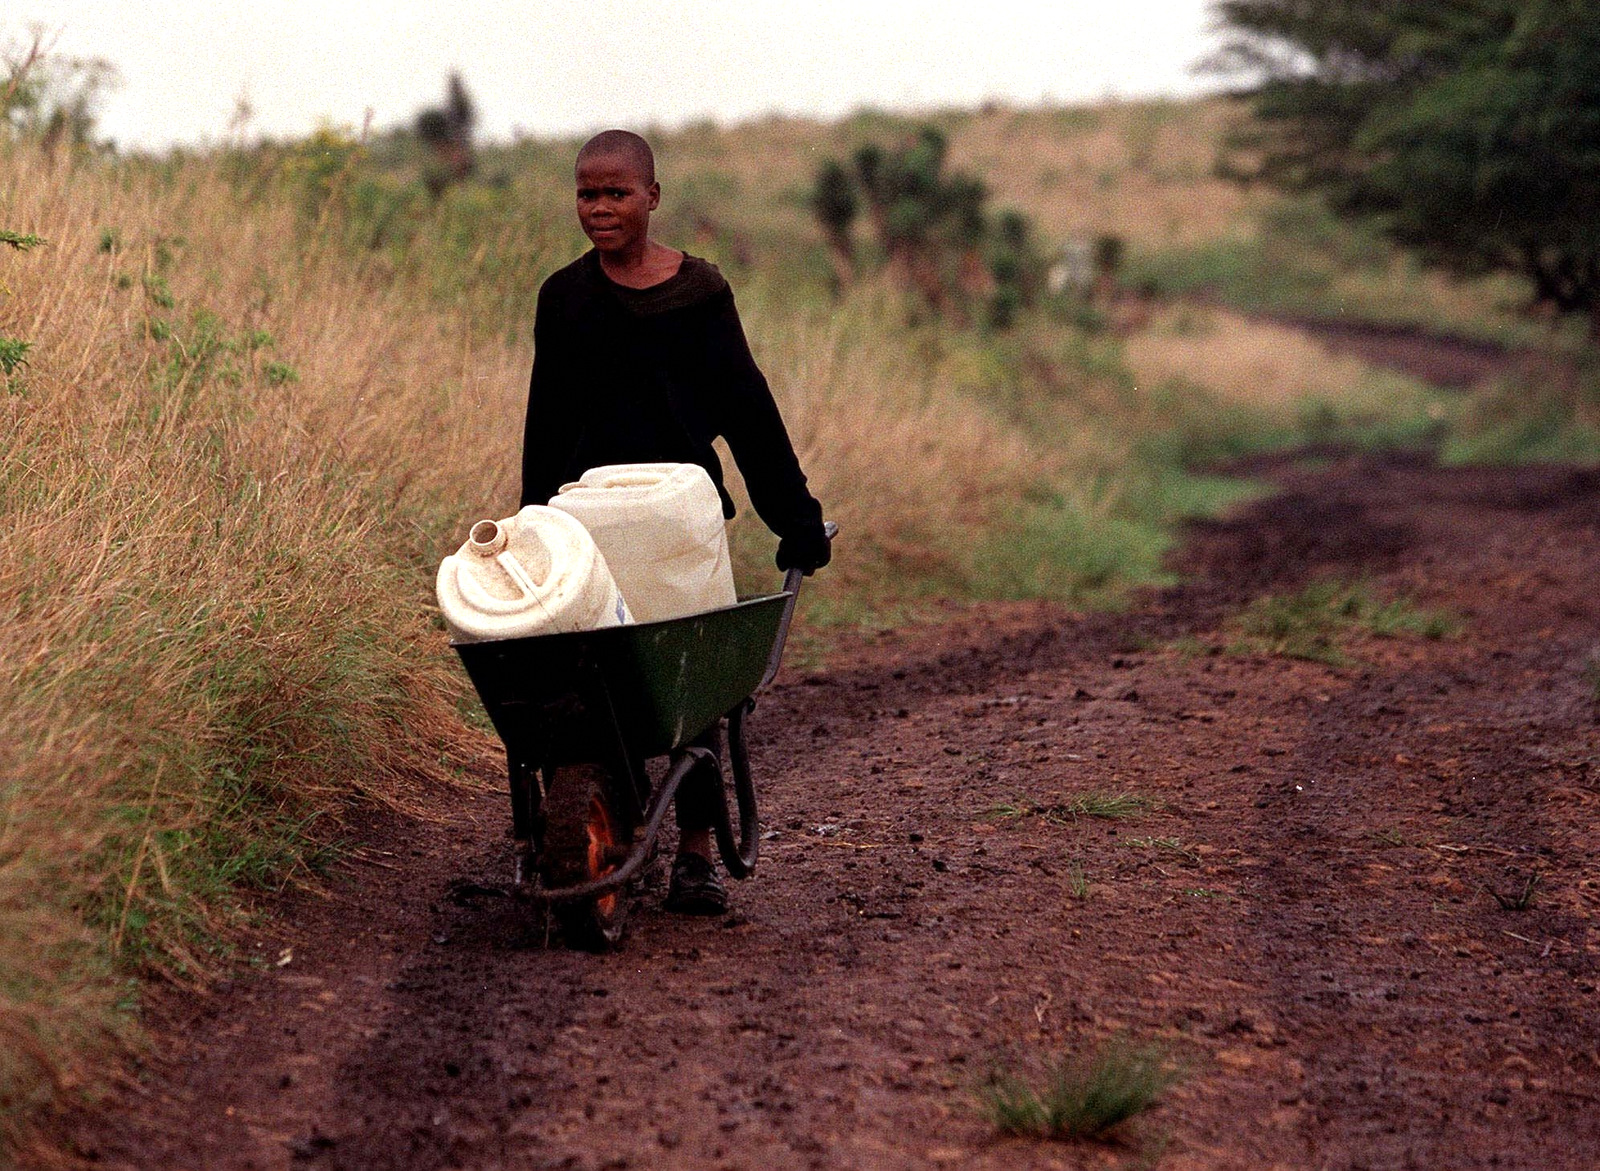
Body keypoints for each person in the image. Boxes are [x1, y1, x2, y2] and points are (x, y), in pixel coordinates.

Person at [521, 129, 830, 915]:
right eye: (587, 193)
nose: (599, 208)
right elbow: (546, 426)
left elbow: (748, 415)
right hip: (590, 521)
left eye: (617, 193)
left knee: (692, 686)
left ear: (653, 198)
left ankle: (696, 850)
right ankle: (599, 809)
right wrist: (535, 529)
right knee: (597, 675)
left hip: (682, 523)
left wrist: (795, 517)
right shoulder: (565, 299)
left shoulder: (698, 296)